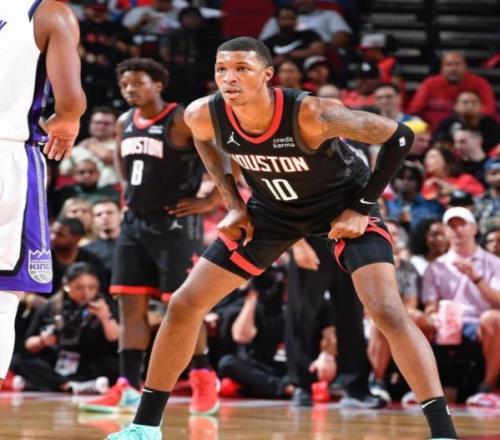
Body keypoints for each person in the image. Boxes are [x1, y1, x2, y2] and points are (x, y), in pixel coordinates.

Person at [108, 37, 458, 440]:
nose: (229, 78)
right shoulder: (204, 114)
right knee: (185, 303)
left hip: (339, 207)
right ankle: (145, 427)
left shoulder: (311, 113)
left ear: (267, 75)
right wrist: (233, 203)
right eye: (222, 69)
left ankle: (443, 432)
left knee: (387, 311)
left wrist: (361, 208)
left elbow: (399, 136)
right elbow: (203, 140)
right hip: (271, 212)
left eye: (242, 69)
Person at [79, 58, 214, 416]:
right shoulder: (124, 121)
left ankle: (203, 376)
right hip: (135, 223)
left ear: (158, 85)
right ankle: (127, 386)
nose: (130, 90)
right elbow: (122, 163)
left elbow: (222, 154)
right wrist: (127, 196)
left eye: (137, 83)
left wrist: (212, 199)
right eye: (125, 84)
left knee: (182, 306)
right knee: (129, 305)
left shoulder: (180, 118)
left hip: (175, 224)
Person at [0, 0, 86, 389]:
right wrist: (67, 120)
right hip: (8, 153)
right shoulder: (48, 12)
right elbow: (70, 101)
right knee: (3, 298)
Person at [419, 207, 500, 401]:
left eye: (462, 224)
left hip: (479, 323)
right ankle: (421, 388)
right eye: (452, 226)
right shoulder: (436, 266)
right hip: (444, 322)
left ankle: (487, 386)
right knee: (415, 320)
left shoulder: (494, 262)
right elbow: (430, 304)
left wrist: (476, 278)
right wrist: (433, 316)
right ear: (446, 231)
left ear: (474, 229)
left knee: (494, 319)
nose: (457, 230)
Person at [10, 262, 119, 393]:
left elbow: (116, 339)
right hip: (57, 360)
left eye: (92, 287)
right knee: (18, 361)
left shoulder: (103, 305)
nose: (86, 293)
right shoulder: (52, 306)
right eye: (79, 287)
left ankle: (39, 383)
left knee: (114, 365)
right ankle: (69, 385)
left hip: (89, 361)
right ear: (67, 285)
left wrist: (105, 317)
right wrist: (42, 340)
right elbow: (28, 344)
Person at [408, 51, 497, 130]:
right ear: (442, 68)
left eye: (457, 64)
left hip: (471, 130)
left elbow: (489, 109)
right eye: (449, 64)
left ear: (465, 67)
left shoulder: (479, 83)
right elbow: (415, 110)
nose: (453, 68)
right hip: (433, 132)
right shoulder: (430, 83)